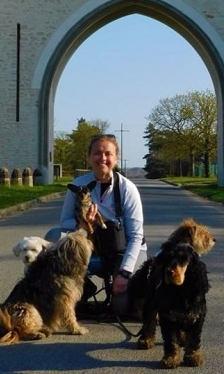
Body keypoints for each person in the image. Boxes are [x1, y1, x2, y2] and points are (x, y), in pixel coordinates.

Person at [53, 133, 147, 315]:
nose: (102, 158)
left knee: (121, 308)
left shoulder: (127, 189)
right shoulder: (77, 186)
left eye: (108, 154)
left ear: (116, 157)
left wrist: (125, 273)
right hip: (92, 246)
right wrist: (82, 222)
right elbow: (64, 222)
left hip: (123, 248)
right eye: (97, 153)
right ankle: (83, 288)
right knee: (52, 238)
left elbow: (135, 236)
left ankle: (119, 284)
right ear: (89, 157)